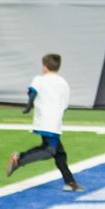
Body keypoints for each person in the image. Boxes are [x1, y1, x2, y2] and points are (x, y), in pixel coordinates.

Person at [8, 53, 81, 191]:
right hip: (54, 122)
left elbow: (32, 93)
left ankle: (70, 182)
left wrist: (28, 107)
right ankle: (19, 159)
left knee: (58, 153)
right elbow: (65, 104)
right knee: (50, 150)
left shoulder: (39, 79)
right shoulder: (63, 83)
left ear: (45, 67)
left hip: (44, 120)